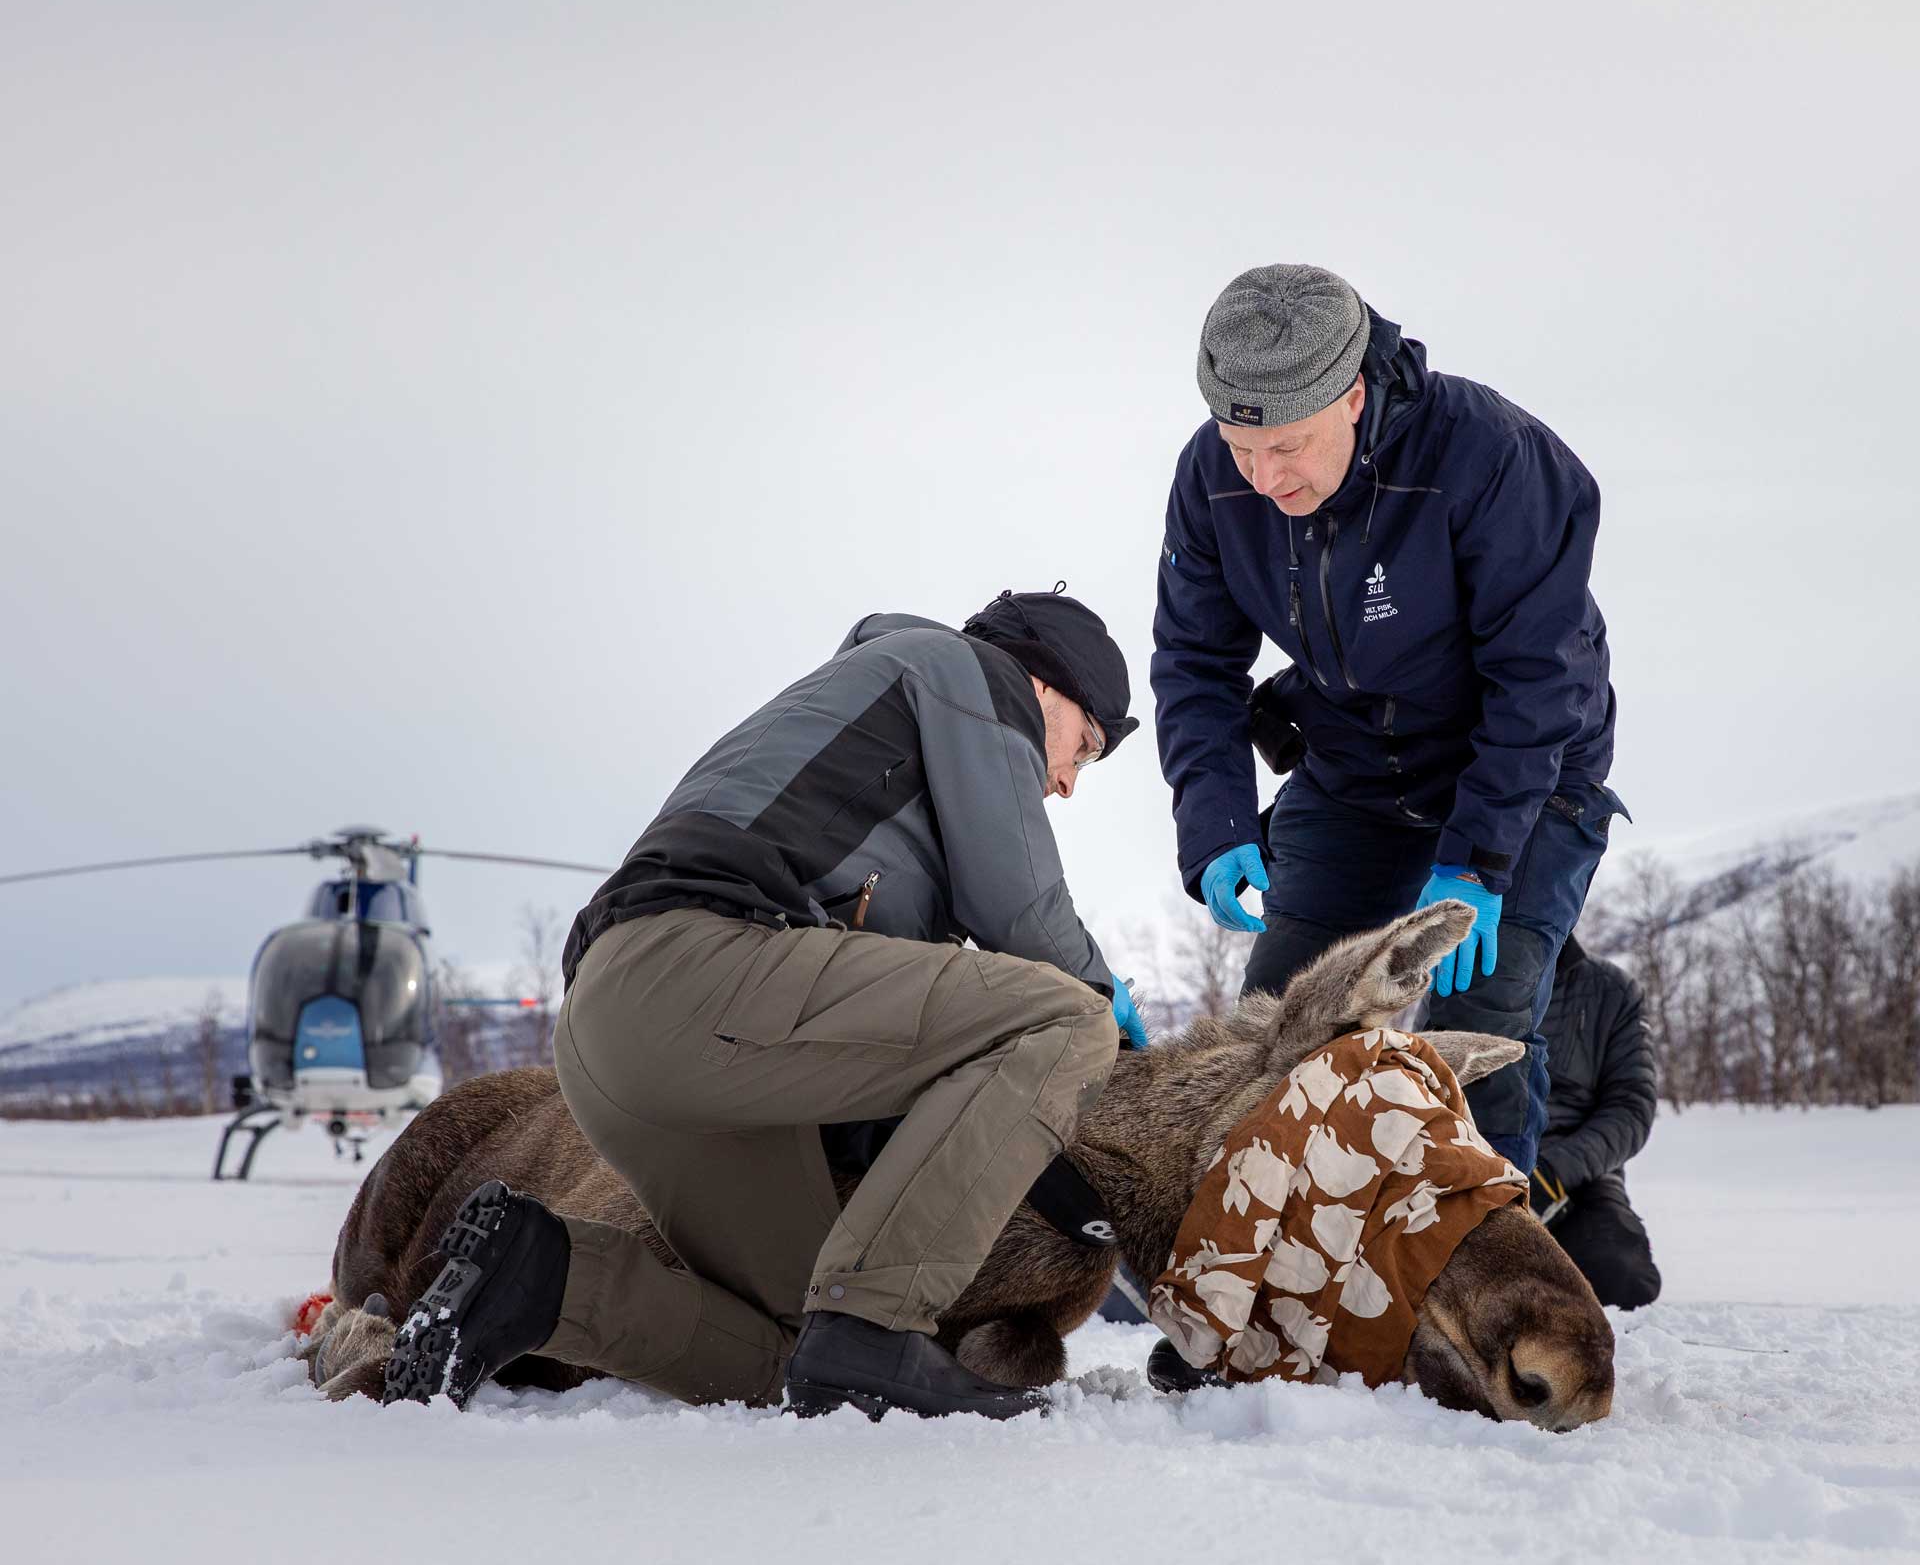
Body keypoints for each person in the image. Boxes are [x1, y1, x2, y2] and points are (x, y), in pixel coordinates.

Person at [384, 590, 1146, 1420]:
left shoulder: (888, 740)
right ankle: (878, 1326)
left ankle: (541, 1278)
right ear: (1045, 686)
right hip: (697, 971)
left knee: (801, 1344)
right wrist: (1105, 1005)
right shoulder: (970, 673)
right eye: (1086, 744)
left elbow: (904, 1052)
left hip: (634, 1039)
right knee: (1065, 1016)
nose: (1069, 781)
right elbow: (1021, 912)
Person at [1152, 262, 1626, 1176]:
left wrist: (1479, 856)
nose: (1262, 476)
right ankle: (1259, 1265)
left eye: (1287, 447)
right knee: (1285, 1020)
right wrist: (1212, 825)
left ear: (1355, 396)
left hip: (1526, 773)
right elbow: (1196, 662)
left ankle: (1481, 1275)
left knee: (1479, 1019)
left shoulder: (1490, 456)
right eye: (1241, 447)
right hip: (1357, 762)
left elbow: (1537, 676)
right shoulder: (1213, 476)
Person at [1531, 932, 1661, 1309]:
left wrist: (1551, 1176)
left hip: (1578, 1177)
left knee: (1623, 1274)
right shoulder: (1464, 975)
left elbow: (1631, 1108)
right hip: (1485, 1170)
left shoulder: (1612, 990)